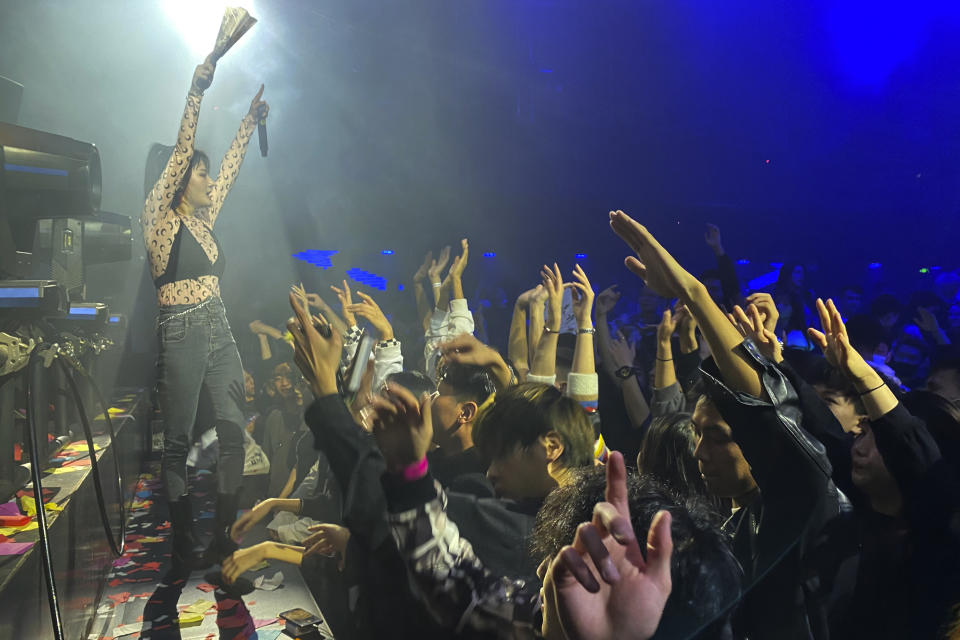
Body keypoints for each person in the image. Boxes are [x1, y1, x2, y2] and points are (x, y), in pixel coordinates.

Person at [141, 55, 268, 572]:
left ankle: (223, 537)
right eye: (199, 169)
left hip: (220, 326)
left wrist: (248, 123)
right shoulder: (160, 219)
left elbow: (232, 172)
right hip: (182, 329)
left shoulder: (202, 219)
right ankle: (182, 542)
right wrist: (196, 91)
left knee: (235, 432)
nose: (207, 177)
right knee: (175, 441)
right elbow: (180, 155)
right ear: (177, 177)